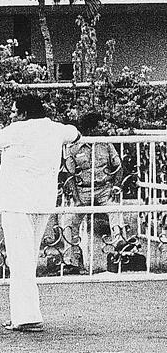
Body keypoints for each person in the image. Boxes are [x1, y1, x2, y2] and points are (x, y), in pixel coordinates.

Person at [0, 94, 80, 332]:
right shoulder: (55, 129)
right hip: (42, 201)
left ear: (24, 114)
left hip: (17, 202)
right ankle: (21, 314)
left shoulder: (16, 130)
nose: (12, 115)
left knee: (19, 260)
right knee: (28, 257)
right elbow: (75, 133)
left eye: (14, 111)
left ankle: (27, 316)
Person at [57, 112, 126, 274]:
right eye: (99, 124)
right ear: (91, 127)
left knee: (115, 209)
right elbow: (69, 174)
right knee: (69, 219)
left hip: (104, 190)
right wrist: (75, 196)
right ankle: (72, 260)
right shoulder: (73, 148)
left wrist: (116, 187)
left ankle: (120, 247)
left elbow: (118, 166)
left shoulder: (106, 144)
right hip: (83, 191)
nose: (102, 127)